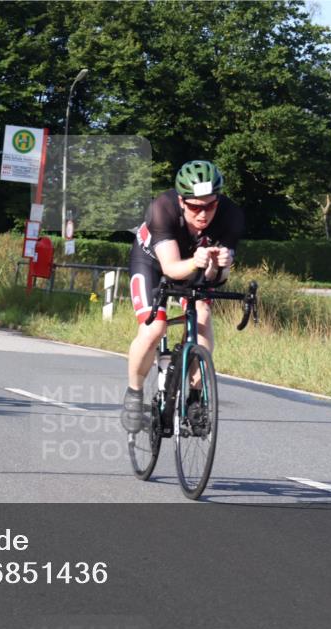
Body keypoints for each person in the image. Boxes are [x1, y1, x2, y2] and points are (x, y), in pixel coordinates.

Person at [121, 160, 245, 433]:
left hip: (194, 265)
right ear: (181, 201)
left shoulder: (231, 216)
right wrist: (197, 261)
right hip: (153, 263)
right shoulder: (161, 209)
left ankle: (195, 397)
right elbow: (171, 268)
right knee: (154, 328)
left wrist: (221, 264)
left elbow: (217, 279)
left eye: (210, 205)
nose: (203, 214)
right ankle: (134, 394)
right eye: (195, 207)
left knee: (203, 313)